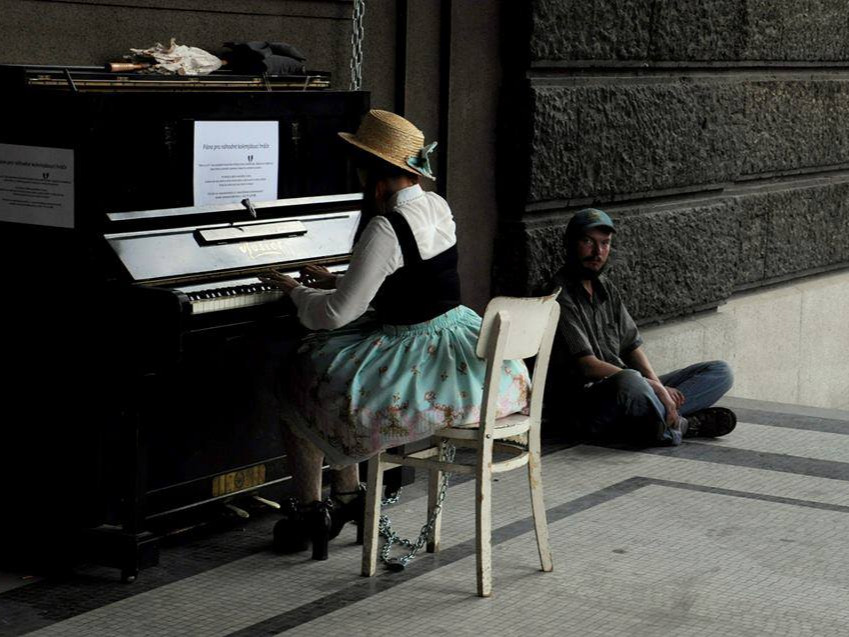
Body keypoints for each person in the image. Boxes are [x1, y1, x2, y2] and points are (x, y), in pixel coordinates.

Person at [260, 110, 530, 559]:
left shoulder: (385, 227)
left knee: (302, 372)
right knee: (326, 372)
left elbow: (334, 315)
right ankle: (348, 498)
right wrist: (341, 280)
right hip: (465, 353)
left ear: (375, 176)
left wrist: (296, 291)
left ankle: (311, 513)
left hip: (420, 364)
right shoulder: (438, 205)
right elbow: (406, 275)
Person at [550, 208, 736, 447]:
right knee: (630, 380)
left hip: (631, 390)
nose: (598, 252)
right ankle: (679, 426)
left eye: (605, 244)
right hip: (588, 402)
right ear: (570, 244)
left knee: (720, 372)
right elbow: (587, 366)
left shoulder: (605, 288)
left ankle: (659, 416)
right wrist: (652, 387)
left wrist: (657, 384)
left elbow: (631, 345)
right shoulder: (557, 294)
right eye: (588, 242)